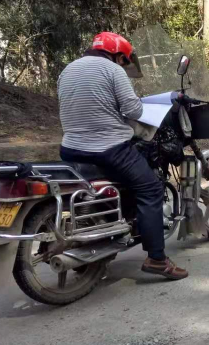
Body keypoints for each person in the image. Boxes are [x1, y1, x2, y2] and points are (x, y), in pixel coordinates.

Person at [57, 32, 189, 280]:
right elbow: (133, 110)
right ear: (118, 56)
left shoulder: (67, 70)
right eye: (124, 60)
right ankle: (157, 259)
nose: (123, 64)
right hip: (108, 149)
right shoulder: (113, 70)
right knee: (150, 188)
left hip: (70, 149)